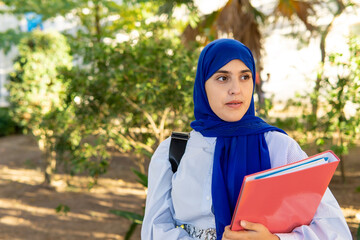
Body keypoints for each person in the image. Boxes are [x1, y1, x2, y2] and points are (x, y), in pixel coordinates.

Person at [141, 39, 351, 240]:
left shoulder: (278, 146)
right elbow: (154, 229)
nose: (236, 89)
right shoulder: (175, 150)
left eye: (245, 77)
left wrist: (275, 239)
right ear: (202, 85)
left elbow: (335, 230)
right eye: (222, 78)